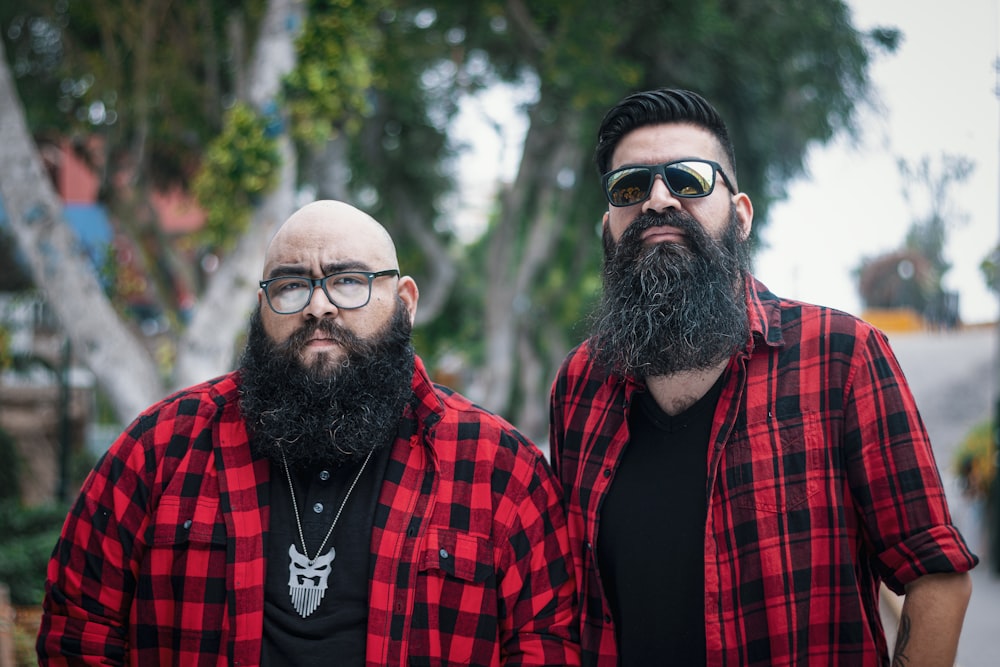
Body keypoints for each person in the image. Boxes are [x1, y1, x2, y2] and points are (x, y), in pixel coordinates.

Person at [38, 200, 581, 666]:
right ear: (262, 308)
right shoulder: (159, 448)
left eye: (348, 281)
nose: (319, 306)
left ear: (405, 303)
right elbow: (78, 628)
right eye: (292, 285)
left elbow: (549, 646)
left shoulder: (502, 471)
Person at [548, 88, 978, 667]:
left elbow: (937, 576)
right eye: (630, 186)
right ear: (609, 226)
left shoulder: (842, 356)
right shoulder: (578, 386)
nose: (656, 200)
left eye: (689, 178)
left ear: (742, 214)